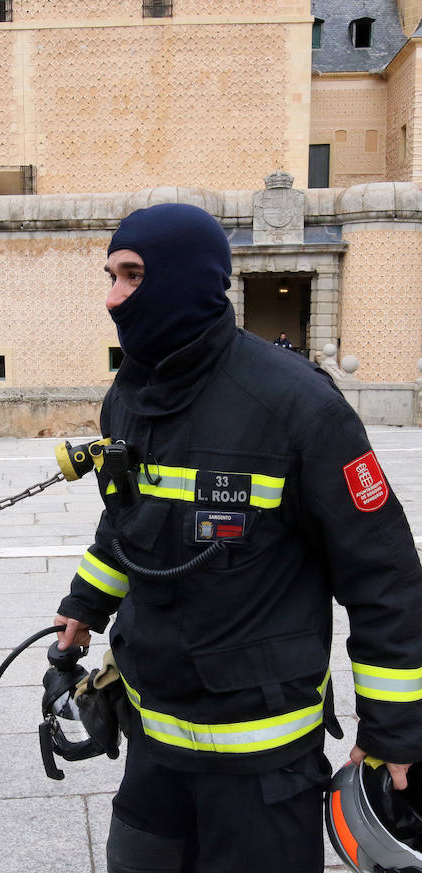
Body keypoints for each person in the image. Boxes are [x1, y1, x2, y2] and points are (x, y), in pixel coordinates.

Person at [53, 203, 422, 873]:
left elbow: (385, 576)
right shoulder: (129, 398)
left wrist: (395, 727)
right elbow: (127, 518)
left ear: (188, 280)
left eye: (132, 276)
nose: (112, 298)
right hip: (153, 743)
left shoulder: (298, 405)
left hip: (262, 766)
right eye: (110, 275)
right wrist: (86, 603)